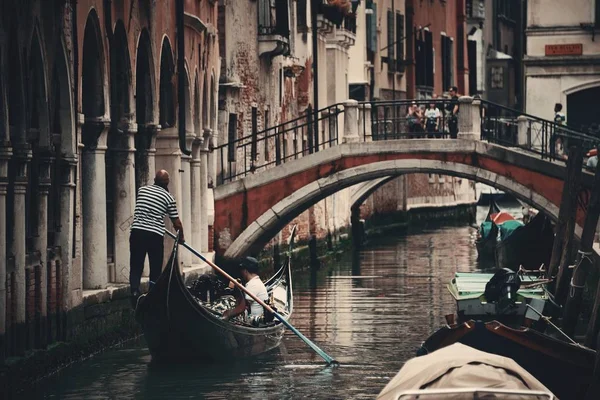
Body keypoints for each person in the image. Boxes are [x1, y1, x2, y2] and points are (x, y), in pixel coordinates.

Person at [129, 170, 185, 303]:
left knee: (136, 265)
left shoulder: (142, 190)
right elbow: (177, 223)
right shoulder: (168, 198)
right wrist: (181, 238)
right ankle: (152, 295)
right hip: (154, 235)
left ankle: (135, 291)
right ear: (167, 183)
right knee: (155, 267)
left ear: (154, 180)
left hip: (137, 232)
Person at [222, 257, 269, 324]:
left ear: (245, 271)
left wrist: (227, 313)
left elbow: (242, 307)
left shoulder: (253, 284)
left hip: (254, 322)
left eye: (242, 270)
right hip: (253, 318)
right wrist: (240, 288)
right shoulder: (255, 282)